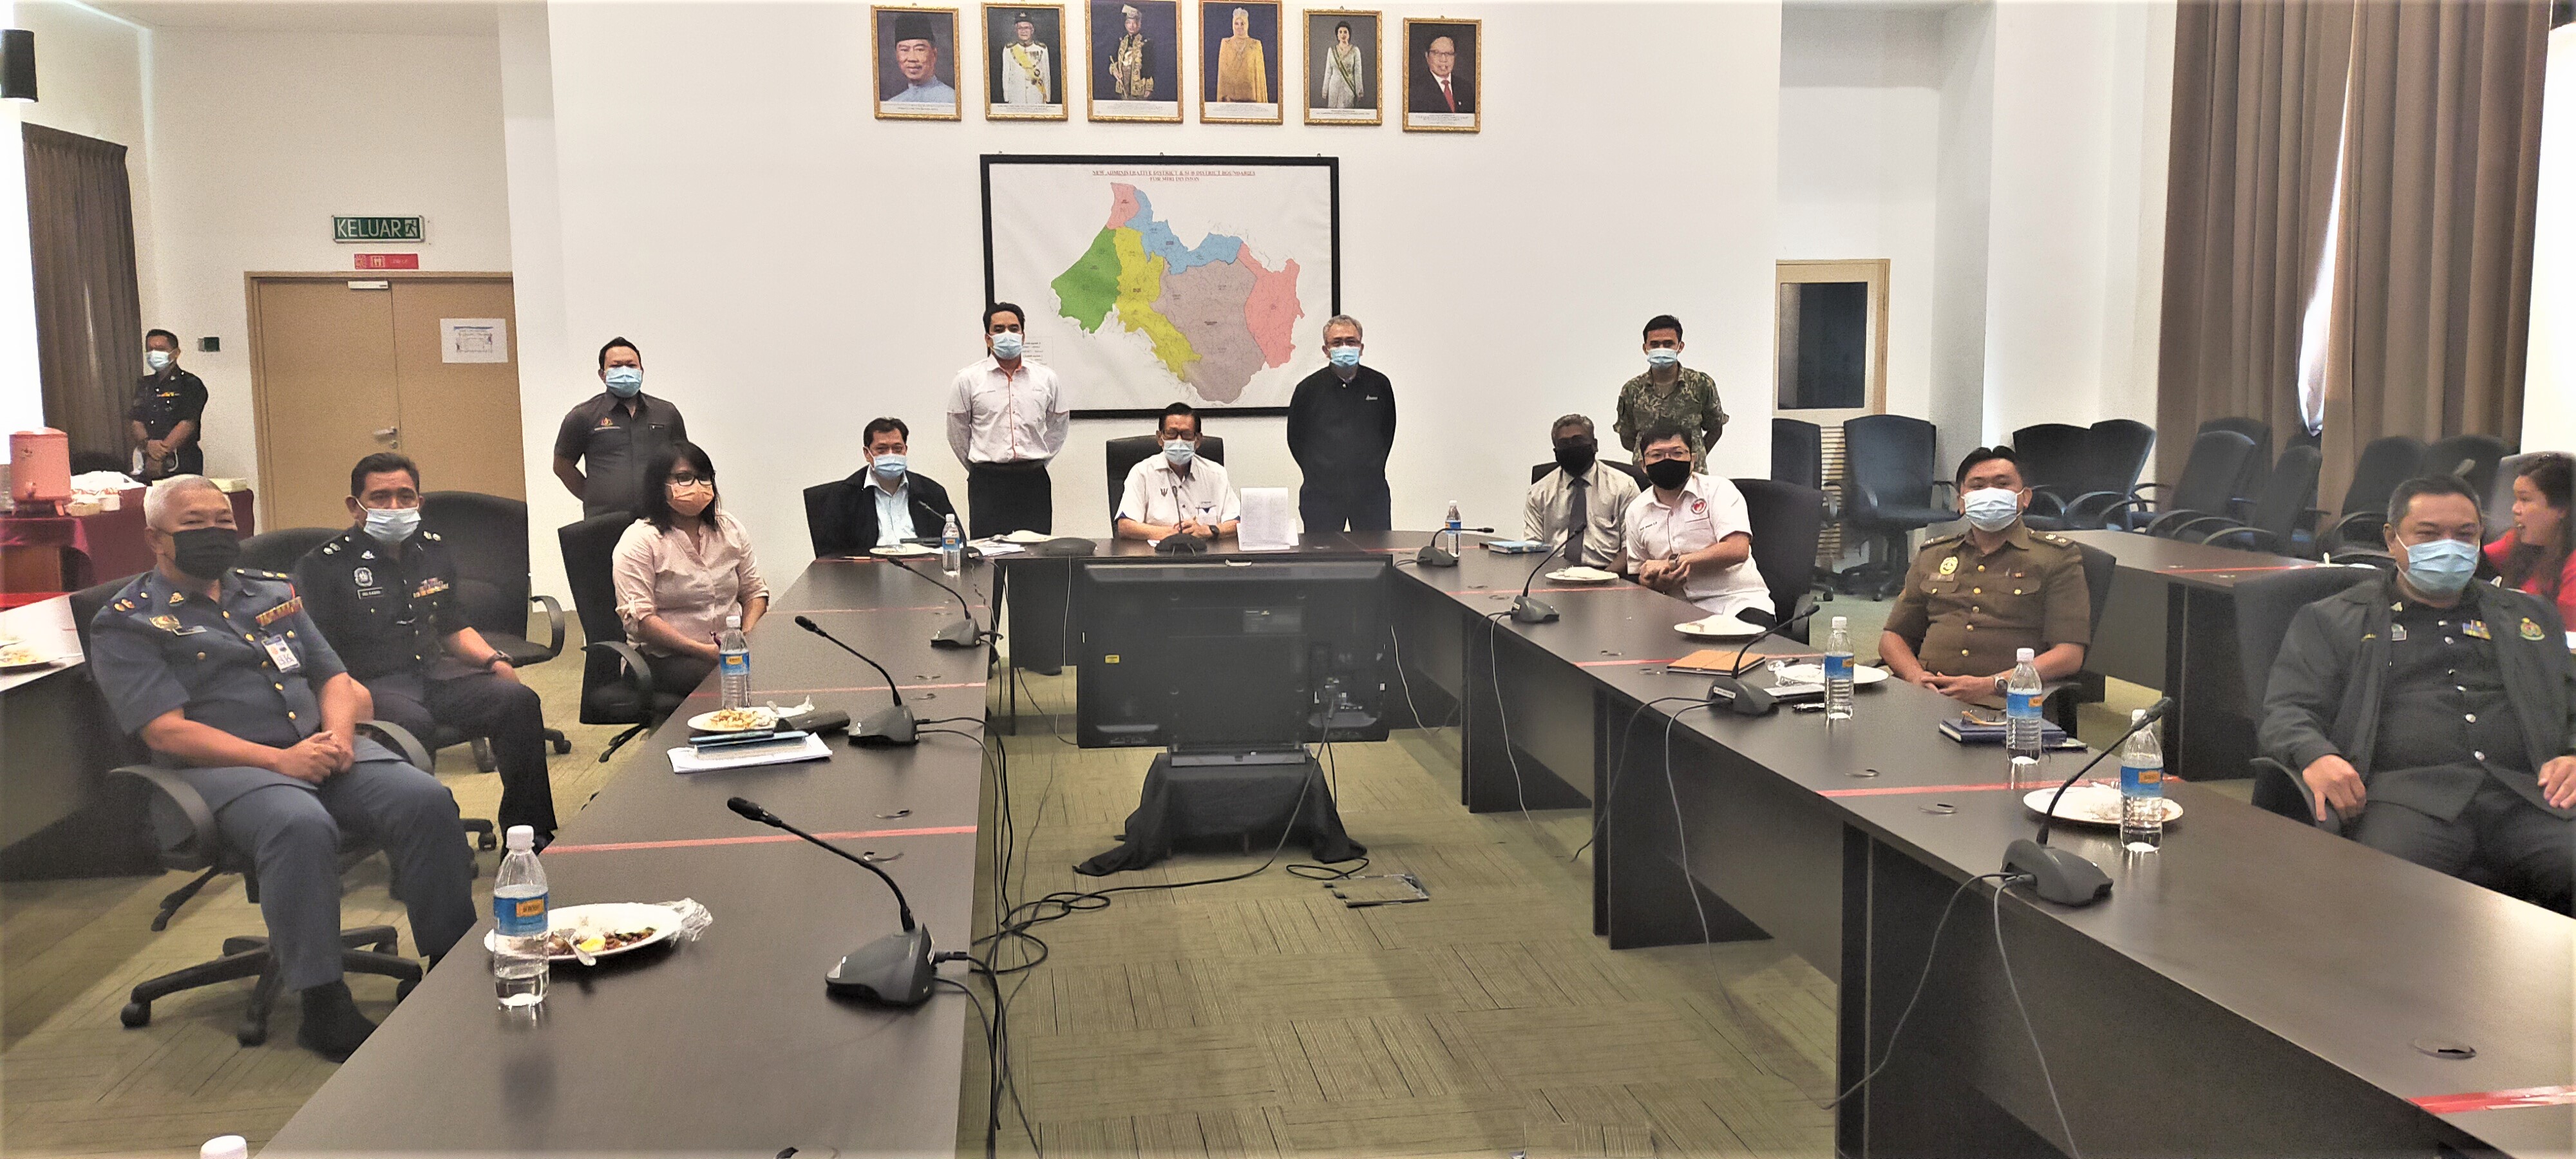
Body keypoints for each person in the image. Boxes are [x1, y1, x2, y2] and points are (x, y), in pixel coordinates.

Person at [87, 475, 475, 1060]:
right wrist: (280, 759)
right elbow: (165, 731)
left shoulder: (270, 592)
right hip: (221, 769)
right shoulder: (128, 620)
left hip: (317, 749)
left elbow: (334, 677)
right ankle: (322, 1003)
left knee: (423, 797)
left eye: (223, 521)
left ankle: (452, 964)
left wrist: (338, 735)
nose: (215, 532)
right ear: (155, 538)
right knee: (299, 824)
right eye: (194, 524)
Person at [2260, 475, 2575, 913]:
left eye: (2464, 534)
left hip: (2526, 796)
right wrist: (2315, 755)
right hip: (2404, 799)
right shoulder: (2335, 619)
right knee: (2380, 899)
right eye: (2428, 534)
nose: (2450, 546)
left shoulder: (2529, 616)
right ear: (2393, 539)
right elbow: (2287, 709)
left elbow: (2570, 700)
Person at [295, 453, 558, 842]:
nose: (394, 507)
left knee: (517, 701)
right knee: (412, 725)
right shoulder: (323, 565)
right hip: (372, 684)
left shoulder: (431, 549)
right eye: (380, 498)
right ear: (355, 506)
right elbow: (314, 652)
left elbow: (452, 626)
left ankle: (530, 835)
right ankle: (431, 842)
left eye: (405, 496)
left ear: (419, 502)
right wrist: (346, 694)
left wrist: (493, 659)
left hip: (436, 673)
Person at [1878, 447, 2093, 706]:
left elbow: (2069, 654)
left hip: (2005, 704)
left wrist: (1993, 685)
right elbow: (1894, 637)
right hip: (1926, 697)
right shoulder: (1934, 554)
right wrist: (1916, 678)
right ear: (1961, 502)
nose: (1990, 493)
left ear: (2025, 497)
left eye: (2002, 484)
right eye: (1977, 486)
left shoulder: (2056, 557)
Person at [612, 442, 771, 697]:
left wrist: (746, 638)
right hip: (663, 656)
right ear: (659, 484)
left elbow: (754, 592)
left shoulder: (729, 528)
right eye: (684, 478)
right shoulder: (640, 541)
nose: (697, 486)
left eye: (704, 478)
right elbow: (641, 620)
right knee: (722, 679)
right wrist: (705, 651)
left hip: (727, 648)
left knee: (773, 666)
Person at [1616, 424, 1770, 625]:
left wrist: (1674, 563)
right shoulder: (1636, 511)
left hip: (1736, 604)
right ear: (1643, 465)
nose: (1668, 460)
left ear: (1692, 460)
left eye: (1677, 453)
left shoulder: (1718, 490)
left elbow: (1737, 549)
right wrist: (1655, 582)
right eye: (1657, 455)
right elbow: (1641, 574)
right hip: (1675, 610)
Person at [946, 302, 1069, 538]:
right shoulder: (967, 379)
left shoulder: (1046, 378)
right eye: (999, 329)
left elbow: (1059, 426)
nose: (1007, 335)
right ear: (988, 339)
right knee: (989, 553)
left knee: (1035, 551)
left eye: (1014, 329)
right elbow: (956, 433)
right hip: (987, 481)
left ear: (1023, 336)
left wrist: (1039, 459)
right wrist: (978, 466)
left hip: (1033, 480)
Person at [553, 337, 688, 519]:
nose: (625, 371)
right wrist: (593, 497)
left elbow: (685, 462)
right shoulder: (583, 415)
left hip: (659, 519)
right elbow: (562, 466)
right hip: (605, 520)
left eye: (631, 366)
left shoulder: (667, 413)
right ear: (602, 375)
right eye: (616, 366)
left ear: (641, 371)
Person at [1285, 314, 1396, 532]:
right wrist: (1320, 471)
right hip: (1321, 496)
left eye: (1351, 341)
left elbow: (1387, 432)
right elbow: (1296, 439)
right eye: (1337, 343)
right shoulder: (1307, 389)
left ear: (1361, 348)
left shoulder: (1379, 385)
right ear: (1326, 350)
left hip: (1371, 494)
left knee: (1375, 552)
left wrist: (1369, 466)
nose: (1345, 347)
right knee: (1321, 554)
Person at [807, 417, 959, 557]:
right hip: (868, 571)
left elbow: (956, 540)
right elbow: (834, 556)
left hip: (924, 568)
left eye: (897, 448)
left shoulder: (931, 492)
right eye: (882, 449)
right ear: (867, 454)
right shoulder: (845, 496)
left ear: (905, 450)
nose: (891, 455)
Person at [1524, 414, 1637, 569]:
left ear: (1594, 445)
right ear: (1556, 452)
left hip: (1608, 574)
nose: (1572, 447)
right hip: (1553, 575)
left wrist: (1604, 577)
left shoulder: (1623, 487)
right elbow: (1532, 549)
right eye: (1564, 444)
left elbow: (1632, 549)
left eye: (1578, 441)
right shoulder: (1539, 493)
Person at [1613, 315, 1727, 468]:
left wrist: (1697, 456)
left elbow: (1716, 428)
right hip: (1647, 474)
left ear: (1680, 346)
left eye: (1668, 344)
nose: (1661, 349)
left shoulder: (1701, 384)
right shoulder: (1632, 390)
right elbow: (1627, 437)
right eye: (1655, 344)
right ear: (1645, 348)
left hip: (1692, 473)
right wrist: (1651, 456)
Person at [1116, 403, 1240, 542]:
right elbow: (1125, 526)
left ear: (1198, 440)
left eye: (1187, 435)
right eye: (1171, 434)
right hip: (1157, 553)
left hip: (1205, 553)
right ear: (1160, 438)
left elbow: (1237, 523)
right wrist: (1173, 534)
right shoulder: (1142, 473)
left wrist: (1208, 530)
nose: (1179, 441)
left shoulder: (1216, 474)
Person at [2488, 452, 2575, 627]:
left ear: (2562, 509)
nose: (2515, 509)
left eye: (2525, 500)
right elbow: (2478, 562)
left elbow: (2568, 632)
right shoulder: (2518, 540)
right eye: (2516, 499)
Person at [129, 328, 207, 480]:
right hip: (148, 457)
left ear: (176, 353)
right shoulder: (145, 384)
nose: (154, 354)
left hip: (182, 459)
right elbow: (136, 421)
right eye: (150, 349)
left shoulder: (190, 383)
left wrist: (161, 453)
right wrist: (148, 446)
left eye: (160, 349)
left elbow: (187, 423)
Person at [886, 12, 958, 104]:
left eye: (920, 50)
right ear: (897, 56)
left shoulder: (952, 100)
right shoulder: (893, 103)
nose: (912, 58)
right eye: (904, 50)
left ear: (934, 54)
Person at [1408, 33, 1472, 113]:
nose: (1443, 59)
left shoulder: (1466, 88)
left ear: (1455, 56)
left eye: (1449, 53)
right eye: (1436, 53)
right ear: (1427, 56)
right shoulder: (1415, 90)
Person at [1214, 7, 1267, 102]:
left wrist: (1261, 103)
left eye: (1242, 23)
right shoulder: (1226, 44)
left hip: (1251, 100)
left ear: (1247, 24)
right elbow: (1222, 76)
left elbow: (1260, 78)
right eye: (1236, 23)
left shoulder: (1255, 45)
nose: (1239, 27)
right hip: (1230, 100)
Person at [1000, 12, 1053, 104]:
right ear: (1016, 31)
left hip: (1037, 98)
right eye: (1020, 28)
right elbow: (1006, 76)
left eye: (1026, 28)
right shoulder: (1009, 49)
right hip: (1016, 99)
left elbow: (1046, 75)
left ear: (1032, 30)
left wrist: (1047, 98)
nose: (1023, 31)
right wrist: (1007, 98)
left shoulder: (1042, 49)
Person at [1110, 4, 1156, 100]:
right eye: (1129, 23)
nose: (1132, 26)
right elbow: (1113, 60)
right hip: (1123, 85)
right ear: (1125, 24)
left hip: (1140, 87)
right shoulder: (1121, 40)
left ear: (1139, 24)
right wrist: (1114, 71)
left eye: (1135, 23)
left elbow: (1150, 66)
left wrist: (1149, 87)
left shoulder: (1146, 42)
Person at [1320, 20, 1364, 108]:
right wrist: (1325, 90)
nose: (1343, 35)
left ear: (1349, 34)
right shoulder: (1331, 51)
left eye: (1345, 32)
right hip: (1334, 87)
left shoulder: (1355, 51)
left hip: (1349, 87)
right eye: (1340, 32)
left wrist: (1359, 91)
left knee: (1347, 113)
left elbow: (1358, 72)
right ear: (1337, 35)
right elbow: (1328, 72)